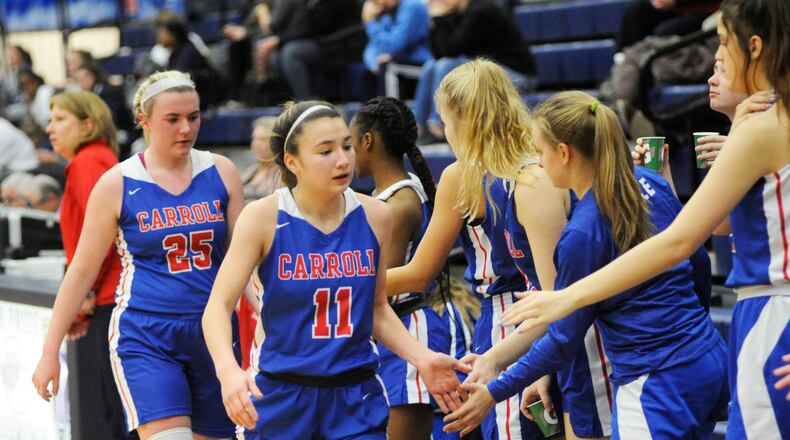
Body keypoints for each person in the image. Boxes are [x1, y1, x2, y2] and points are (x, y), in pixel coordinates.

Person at [503, 1, 790, 427]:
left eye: (722, 43)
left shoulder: (763, 127)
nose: (716, 59)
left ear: (754, 47)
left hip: (765, 314)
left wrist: (568, 296)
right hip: (737, 326)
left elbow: (680, 242)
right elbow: (710, 234)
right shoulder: (759, 124)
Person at [443, 91, 728, 438]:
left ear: (564, 153)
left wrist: (494, 391)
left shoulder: (581, 232)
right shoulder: (649, 180)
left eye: (540, 151)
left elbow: (563, 338)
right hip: (708, 358)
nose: (539, 163)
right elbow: (699, 263)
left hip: (656, 379)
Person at [202, 100, 470, 439]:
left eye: (346, 146)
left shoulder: (377, 216)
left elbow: (377, 308)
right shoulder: (263, 217)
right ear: (292, 161)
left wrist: (423, 358)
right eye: (325, 151)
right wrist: (227, 370)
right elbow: (218, 305)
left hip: (354, 395)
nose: (343, 159)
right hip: (282, 391)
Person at [32, 70, 245, 440]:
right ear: (143, 120)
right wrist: (50, 352)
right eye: (172, 119)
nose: (186, 129)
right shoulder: (117, 182)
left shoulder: (222, 171)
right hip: (147, 333)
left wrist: (270, 315)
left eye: (193, 117)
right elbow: (81, 271)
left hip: (215, 329)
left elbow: (243, 261)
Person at [435, 60, 613, 440]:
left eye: (445, 122)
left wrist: (530, 365)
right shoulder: (509, 180)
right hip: (540, 330)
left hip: (569, 332)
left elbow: (557, 301)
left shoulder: (531, 184)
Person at [387, 59, 562, 439]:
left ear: (463, 121)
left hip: (509, 322)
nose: (446, 132)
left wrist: (347, 282)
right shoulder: (544, 161)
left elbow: (419, 274)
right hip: (561, 319)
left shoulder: (463, 174)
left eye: (445, 121)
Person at [350, 96, 470, 439]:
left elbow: (383, 288)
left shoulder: (398, 205)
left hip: (409, 324)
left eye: (348, 142)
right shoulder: (398, 190)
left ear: (368, 140)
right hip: (402, 325)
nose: (345, 153)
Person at [43, 90, 127, 437]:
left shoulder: (88, 162)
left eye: (60, 119)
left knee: (110, 414)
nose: (50, 128)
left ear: (89, 124)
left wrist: (86, 293)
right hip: (110, 293)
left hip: (107, 297)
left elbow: (104, 234)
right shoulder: (101, 158)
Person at [413, 0, 537, 143]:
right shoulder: (457, 14)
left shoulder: (480, 11)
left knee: (446, 65)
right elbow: (438, 55)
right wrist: (436, 21)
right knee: (430, 66)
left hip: (516, 75)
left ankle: (438, 127)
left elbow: (451, 51)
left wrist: (440, 20)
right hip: (486, 72)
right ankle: (418, 127)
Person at [362, 0, 432, 94]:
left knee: (388, 68)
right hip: (400, 64)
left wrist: (370, 21)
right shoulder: (390, 11)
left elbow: (393, 46)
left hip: (422, 65)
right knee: (368, 74)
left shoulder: (412, 6)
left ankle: (389, 104)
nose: (381, 2)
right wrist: (374, 64)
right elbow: (373, 46)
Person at [74, 61, 136, 159]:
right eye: (78, 80)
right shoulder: (88, 95)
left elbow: (112, 118)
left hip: (122, 134)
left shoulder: (108, 92)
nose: (81, 84)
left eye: (83, 79)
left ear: (92, 77)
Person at [616, 0, 721, 53]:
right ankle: (624, 62)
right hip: (677, 8)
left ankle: (655, 72)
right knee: (635, 10)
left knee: (663, 32)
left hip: (706, 9)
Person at [241, 116, 283, 204]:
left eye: (263, 139)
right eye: (254, 139)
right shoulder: (251, 171)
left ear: (277, 143)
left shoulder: (284, 175)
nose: (256, 144)